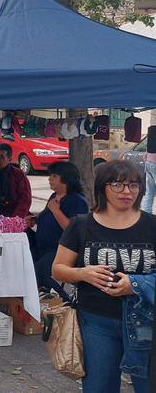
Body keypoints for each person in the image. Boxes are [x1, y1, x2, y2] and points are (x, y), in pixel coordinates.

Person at [53, 160, 154, 392]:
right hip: (97, 321)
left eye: (133, 185)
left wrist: (136, 284)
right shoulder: (81, 225)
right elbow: (58, 269)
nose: (126, 191)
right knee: (99, 386)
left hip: (147, 320)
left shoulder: (152, 226)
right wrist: (83, 273)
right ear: (102, 187)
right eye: (117, 184)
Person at [27, 161, 88, 294]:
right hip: (42, 247)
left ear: (66, 179)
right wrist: (36, 219)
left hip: (59, 251)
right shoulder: (54, 196)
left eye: (54, 176)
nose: (50, 179)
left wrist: (56, 211)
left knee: (37, 273)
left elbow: (74, 229)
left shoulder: (77, 200)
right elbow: (47, 215)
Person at [142, 125, 156, 214]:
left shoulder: (152, 130)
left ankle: (146, 216)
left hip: (149, 162)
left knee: (149, 192)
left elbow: (146, 152)